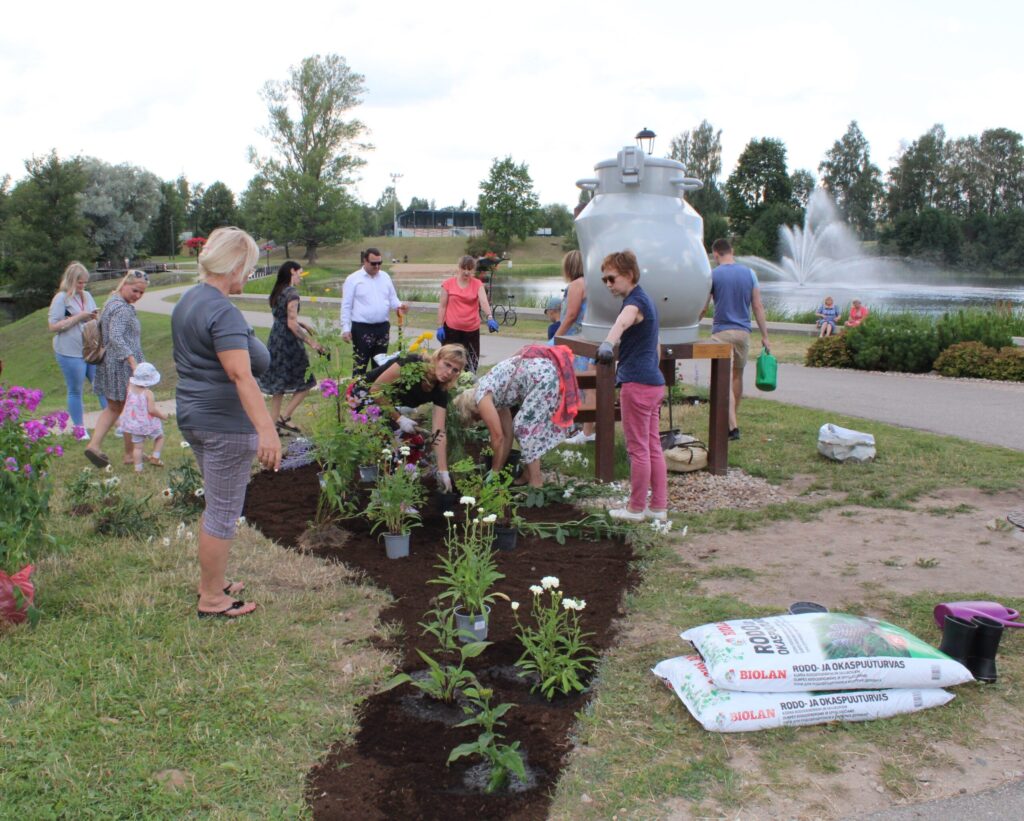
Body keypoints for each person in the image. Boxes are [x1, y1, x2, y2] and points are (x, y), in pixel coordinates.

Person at [171, 227, 281, 619]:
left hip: (195, 416)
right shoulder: (222, 311)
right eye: (248, 269)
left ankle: (213, 584)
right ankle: (212, 599)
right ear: (233, 266)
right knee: (223, 512)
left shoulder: (190, 300)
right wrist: (267, 430)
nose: (248, 276)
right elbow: (241, 375)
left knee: (217, 505)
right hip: (224, 424)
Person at [594, 250, 668, 522]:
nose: (609, 285)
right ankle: (658, 507)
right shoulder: (647, 300)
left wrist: (607, 344)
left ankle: (636, 508)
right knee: (652, 447)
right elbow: (656, 344)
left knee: (637, 449)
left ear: (628, 275)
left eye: (612, 279)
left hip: (636, 384)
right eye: (604, 280)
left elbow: (622, 321)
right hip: (653, 383)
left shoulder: (634, 302)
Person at [452, 344, 580, 488]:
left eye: (475, 418)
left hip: (543, 378)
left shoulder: (482, 399)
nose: (480, 420)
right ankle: (527, 474)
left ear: (471, 410)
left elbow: (497, 438)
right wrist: (497, 470)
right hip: (546, 374)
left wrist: (494, 471)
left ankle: (536, 482)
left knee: (524, 429)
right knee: (522, 428)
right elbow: (507, 435)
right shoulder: (495, 395)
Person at [348, 344, 468, 492]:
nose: (448, 372)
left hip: (385, 405)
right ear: (437, 358)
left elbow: (439, 431)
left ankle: (398, 490)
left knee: (415, 443)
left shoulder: (440, 390)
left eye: (455, 370)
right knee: (397, 446)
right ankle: (391, 499)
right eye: (447, 364)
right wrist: (399, 419)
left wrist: (443, 471)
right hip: (362, 396)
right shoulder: (412, 363)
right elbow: (376, 390)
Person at [703, 238, 770, 442]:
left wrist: (692, 322)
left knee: (721, 377)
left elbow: (704, 306)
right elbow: (757, 306)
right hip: (743, 333)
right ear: (732, 251)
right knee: (736, 376)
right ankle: (732, 417)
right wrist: (765, 336)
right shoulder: (750, 274)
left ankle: (732, 426)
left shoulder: (712, 275)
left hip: (722, 332)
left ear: (715, 254)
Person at [84, 269, 149, 468]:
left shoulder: (112, 302)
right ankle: (130, 454)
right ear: (125, 285)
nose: (137, 296)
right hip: (122, 366)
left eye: (141, 293)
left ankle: (94, 446)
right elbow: (116, 337)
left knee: (113, 407)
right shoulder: (122, 309)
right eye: (135, 290)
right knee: (131, 409)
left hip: (110, 363)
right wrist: (132, 361)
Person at [258, 260, 326, 435]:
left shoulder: (277, 291)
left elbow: (281, 317)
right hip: (289, 343)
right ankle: (285, 417)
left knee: (279, 385)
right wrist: (312, 343)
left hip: (275, 340)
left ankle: (273, 426)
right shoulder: (292, 294)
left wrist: (300, 322)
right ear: (291, 271)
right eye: (299, 273)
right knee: (307, 381)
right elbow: (291, 324)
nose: (300, 277)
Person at [48, 261, 106, 430]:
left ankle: (111, 423)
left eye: (85, 282)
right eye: (79, 282)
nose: (82, 286)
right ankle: (79, 429)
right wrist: (79, 317)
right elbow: (53, 326)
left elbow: (93, 316)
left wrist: (94, 316)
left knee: (101, 385)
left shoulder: (86, 295)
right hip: (69, 351)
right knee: (76, 389)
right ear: (70, 280)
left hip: (91, 348)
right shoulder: (61, 298)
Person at [340, 248, 408, 376]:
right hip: (362, 328)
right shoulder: (353, 279)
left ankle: (376, 392)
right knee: (360, 363)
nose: (377, 266)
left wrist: (400, 305)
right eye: (373, 263)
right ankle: (357, 393)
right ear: (365, 261)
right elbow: (346, 305)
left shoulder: (385, 277)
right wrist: (345, 328)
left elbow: (392, 298)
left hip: (382, 327)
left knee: (381, 365)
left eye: (379, 263)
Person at [554, 250, 596, 445]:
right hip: (590, 338)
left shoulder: (575, 285)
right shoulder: (593, 283)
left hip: (576, 341)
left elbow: (571, 315)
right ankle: (584, 428)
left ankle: (585, 433)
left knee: (577, 385)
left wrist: (557, 337)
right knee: (589, 385)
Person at [437, 255, 499, 371]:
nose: (466, 272)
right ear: (459, 268)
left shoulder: (477, 284)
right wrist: (440, 326)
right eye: (463, 268)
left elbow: (484, 301)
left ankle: (467, 387)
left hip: (471, 331)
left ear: (473, 270)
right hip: (451, 330)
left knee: (470, 365)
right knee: (449, 362)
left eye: (469, 269)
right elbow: (442, 306)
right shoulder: (448, 284)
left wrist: (490, 317)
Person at [116, 362, 168, 472]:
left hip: (134, 424)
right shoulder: (148, 393)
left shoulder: (130, 388)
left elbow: (127, 403)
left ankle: (138, 470)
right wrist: (162, 415)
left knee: (138, 447)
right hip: (148, 424)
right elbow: (151, 410)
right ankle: (155, 457)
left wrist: (122, 416)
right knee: (160, 437)